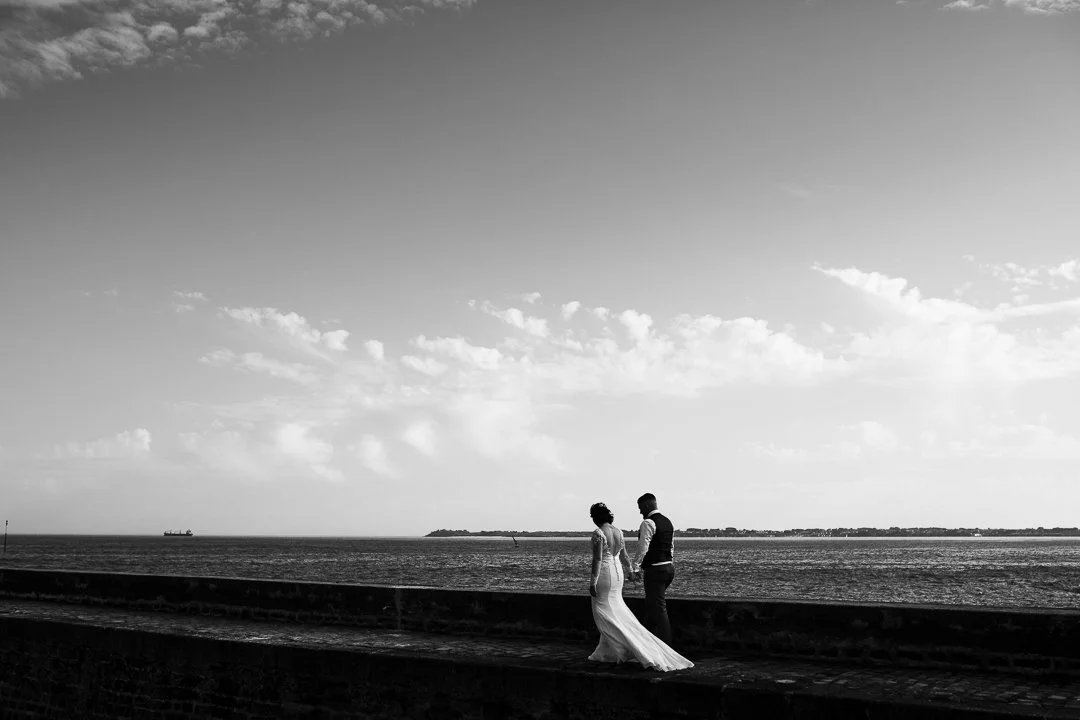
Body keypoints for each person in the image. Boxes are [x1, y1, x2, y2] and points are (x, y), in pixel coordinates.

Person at [586, 502, 693, 672]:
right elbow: (624, 557)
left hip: (605, 574)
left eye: (592, 517)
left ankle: (624, 648)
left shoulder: (599, 533)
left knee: (602, 613)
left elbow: (598, 559)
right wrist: (630, 571)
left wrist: (593, 582)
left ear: (596, 517)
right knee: (617, 610)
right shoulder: (618, 532)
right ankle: (607, 651)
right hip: (618, 575)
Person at [629, 492, 675, 645]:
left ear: (647, 506)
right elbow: (671, 547)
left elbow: (643, 548)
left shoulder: (648, 523)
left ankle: (666, 646)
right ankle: (646, 641)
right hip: (669, 568)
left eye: (641, 508)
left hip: (655, 570)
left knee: (659, 608)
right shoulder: (668, 522)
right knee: (652, 606)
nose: (640, 512)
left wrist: (635, 568)